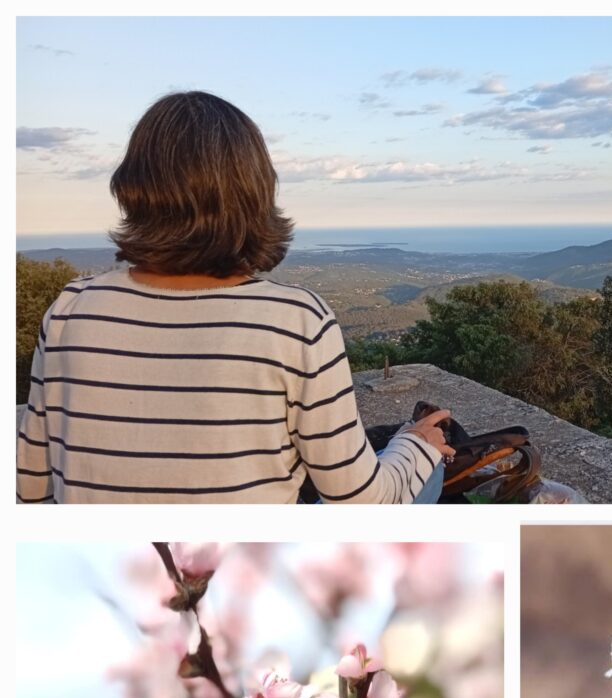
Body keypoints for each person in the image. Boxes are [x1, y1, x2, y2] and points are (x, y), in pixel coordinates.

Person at [16, 91, 454, 504]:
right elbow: (362, 501)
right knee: (424, 468)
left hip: (123, 563)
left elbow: (31, 489)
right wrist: (416, 445)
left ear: (134, 188)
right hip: (246, 567)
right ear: (255, 192)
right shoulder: (296, 320)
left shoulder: (70, 311)